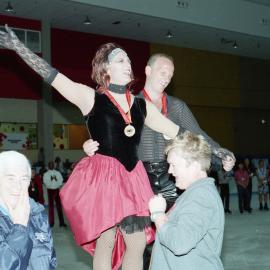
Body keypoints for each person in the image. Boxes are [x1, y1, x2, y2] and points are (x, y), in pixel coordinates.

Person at [0, 25, 180, 270]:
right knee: (105, 241)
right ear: (106, 68)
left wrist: (215, 149)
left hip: (132, 178)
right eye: (120, 59)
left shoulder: (141, 106)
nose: (128, 63)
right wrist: (20, 48)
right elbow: (53, 76)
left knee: (137, 243)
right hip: (104, 177)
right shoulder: (89, 97)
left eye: (128, 59)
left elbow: (176, 132)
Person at [83, 53, 235, 269]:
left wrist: (221, 153)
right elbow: (107, 137)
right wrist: (89, 147)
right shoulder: (129, 104)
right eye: (163, 72)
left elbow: (197, 135)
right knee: (136, 244)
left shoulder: (177, 107)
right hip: (138, 180)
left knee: (171, 238)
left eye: (170, 75)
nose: (167, 77)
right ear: (147, 70)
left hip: (172, 179)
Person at [148, 131, 225, 270]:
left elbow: (180, 243)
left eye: (174, 165)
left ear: (194, 166)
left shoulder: (201, 197)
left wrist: (158, 215)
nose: (170, 171)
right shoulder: (193, 194)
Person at [0, 151, 56, 269]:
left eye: (24, 179)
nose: (18, 186)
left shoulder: (38, 215)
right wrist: (19, 228)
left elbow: (50, 261)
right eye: (11, 178)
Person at [43, 161, 66, 227]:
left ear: (54, 166)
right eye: (50, 165)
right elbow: (45, 182)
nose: (51, 166)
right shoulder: (46, 174)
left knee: (59, 207)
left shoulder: (57, 173)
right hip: (50, 190)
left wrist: (56, 180)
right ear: (48, 166)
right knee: (51, 207)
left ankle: (62, 222)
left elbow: (61, 181)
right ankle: (51, 223)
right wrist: (50, 180)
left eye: (52, 165)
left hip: (56, 190)